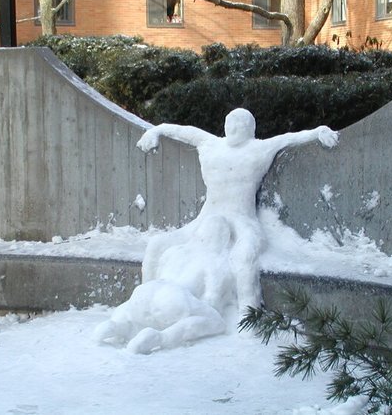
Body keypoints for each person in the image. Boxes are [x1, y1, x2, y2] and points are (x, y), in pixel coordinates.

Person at [95, 108, 338, 353]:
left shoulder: (260, 148)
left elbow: (290, 137)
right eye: (230, 122)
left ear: (251, 129)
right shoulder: (210, 144)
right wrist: (156, 131)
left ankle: (247, 315)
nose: (233, 128)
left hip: (242, 219)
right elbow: (183, 131)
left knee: (244, 256)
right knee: (156, 244)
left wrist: (318, 131)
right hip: (207, 217)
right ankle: (144, 302)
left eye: (240, 124)